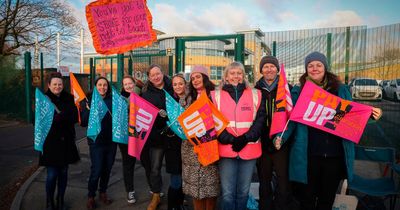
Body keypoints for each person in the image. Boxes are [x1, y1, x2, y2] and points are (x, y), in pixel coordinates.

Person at [275, 51, 382, 210]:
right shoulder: (299, 92)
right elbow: (290, 120)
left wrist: (371, 115)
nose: (314, 68)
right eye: (310, 66)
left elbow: (352, 115)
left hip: (334, 155)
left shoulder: (341, 90)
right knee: (307, 199)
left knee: (327, 199)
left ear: (325, 68)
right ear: (306, 69)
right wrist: (280, 137)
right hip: (308, 155)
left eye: (318, 65)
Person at [211, 62, 265, 210]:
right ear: (226, 77)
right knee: (227, 193)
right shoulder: (215, 96)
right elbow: (211, 121)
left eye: (239, 73)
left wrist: (246, 138)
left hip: (249, 149)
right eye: (232, 73)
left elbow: (260, 120)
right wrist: (228, 138)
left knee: (243, 192)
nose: (236, 76)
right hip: (226, 149)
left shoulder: (256, 94)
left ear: (243, 75)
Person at [254, 56, 292, 210]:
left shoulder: (287, 89)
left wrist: (282, 138)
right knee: (264, 180)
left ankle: (281, 206)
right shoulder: (255, 91)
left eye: (272, 66)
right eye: (265, 66)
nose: (269, 69)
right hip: (262, 143)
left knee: (283, 181)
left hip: (280, 142)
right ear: (261, 70)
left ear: (277, 69)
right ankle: (265, 206)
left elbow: (292, 117)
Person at [39, 72, 80, 210]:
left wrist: (62, 117)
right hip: (50, 143)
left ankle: (60, 200)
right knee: (51, 175)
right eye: (55, 84)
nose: (57, 86)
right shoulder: (43, 99)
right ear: (49, 85)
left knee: (63, 173)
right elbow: (37, 120)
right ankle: (49, 201)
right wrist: (55, 119)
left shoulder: (69, 98)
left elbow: (75, 117)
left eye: (60, 84)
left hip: (66, 142)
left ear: (63, 85)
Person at [181, 65, 220, 210]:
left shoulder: (215, 95)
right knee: (196, 189)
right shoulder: (187, 98)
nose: (195, 80)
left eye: (198, 76)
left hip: (210, 145)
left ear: (205, 77)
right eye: (192, 78)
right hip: (191, 148)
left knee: (211, 187)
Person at [140, 64, 174, 210]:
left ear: (162, 73)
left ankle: (178, 195)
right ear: (149, 78)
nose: (156, 77)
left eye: (158, 73)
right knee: (155, 168)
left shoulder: (173, 87)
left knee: (176, 168)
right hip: (156, 137)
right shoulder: (146, 93)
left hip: (173, 136)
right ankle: (156, 195)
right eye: (152, 75)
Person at [80, 77, 116, 210]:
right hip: (96, 142)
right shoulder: (88, 101)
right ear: (95, 87)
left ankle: (103, 192)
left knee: (107, 169)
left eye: (105, 85)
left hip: (111, 141)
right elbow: (83, 122)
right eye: (99, 85)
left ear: (108, 87)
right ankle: (91, 196)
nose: (102, 87)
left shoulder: (113, 100)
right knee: (97, 169)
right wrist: (88, 109)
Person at [165, 74, 187, 210]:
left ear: (185, 84)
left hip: (188, 146)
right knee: (176, 181)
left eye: (180, 83)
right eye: (175, 84)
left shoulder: (191, 100)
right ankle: (172, 206)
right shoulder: (169, 101)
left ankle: (179, 204)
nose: (178, 86)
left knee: (184, 180)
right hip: (173, 146)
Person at [119, 75, 137, 204]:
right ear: (123, 86)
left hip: (142, 134)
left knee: (148, 163)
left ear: (134, 83)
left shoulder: (142, 95)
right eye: (126, 84)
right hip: (126, 136)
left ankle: (154, 190)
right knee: (128, 164)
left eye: (130, 83)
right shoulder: (120, 99)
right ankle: (130, 191)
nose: (128, 86)